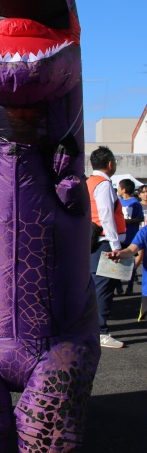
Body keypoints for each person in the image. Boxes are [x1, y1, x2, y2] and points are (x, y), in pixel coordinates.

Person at [86, 146, 125, 349]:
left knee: (96, 286)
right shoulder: (103, 184)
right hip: (104, 242)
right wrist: (115, 245)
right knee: (103, 287)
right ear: (110, 164)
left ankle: (94, 329)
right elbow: (106, 215)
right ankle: (100, 331)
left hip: (94, 241)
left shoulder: (89, 182)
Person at [116, 178, 143, 295]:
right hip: (119, 236)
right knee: (116, 261)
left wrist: (128, 221)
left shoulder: (135, 203)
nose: (117, 189)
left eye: (119, 187)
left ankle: (130, 286)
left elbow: (140, 218)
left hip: (131, 236)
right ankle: (117, 285)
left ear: (124, 189)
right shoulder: (117, 202)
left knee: (130, 263)